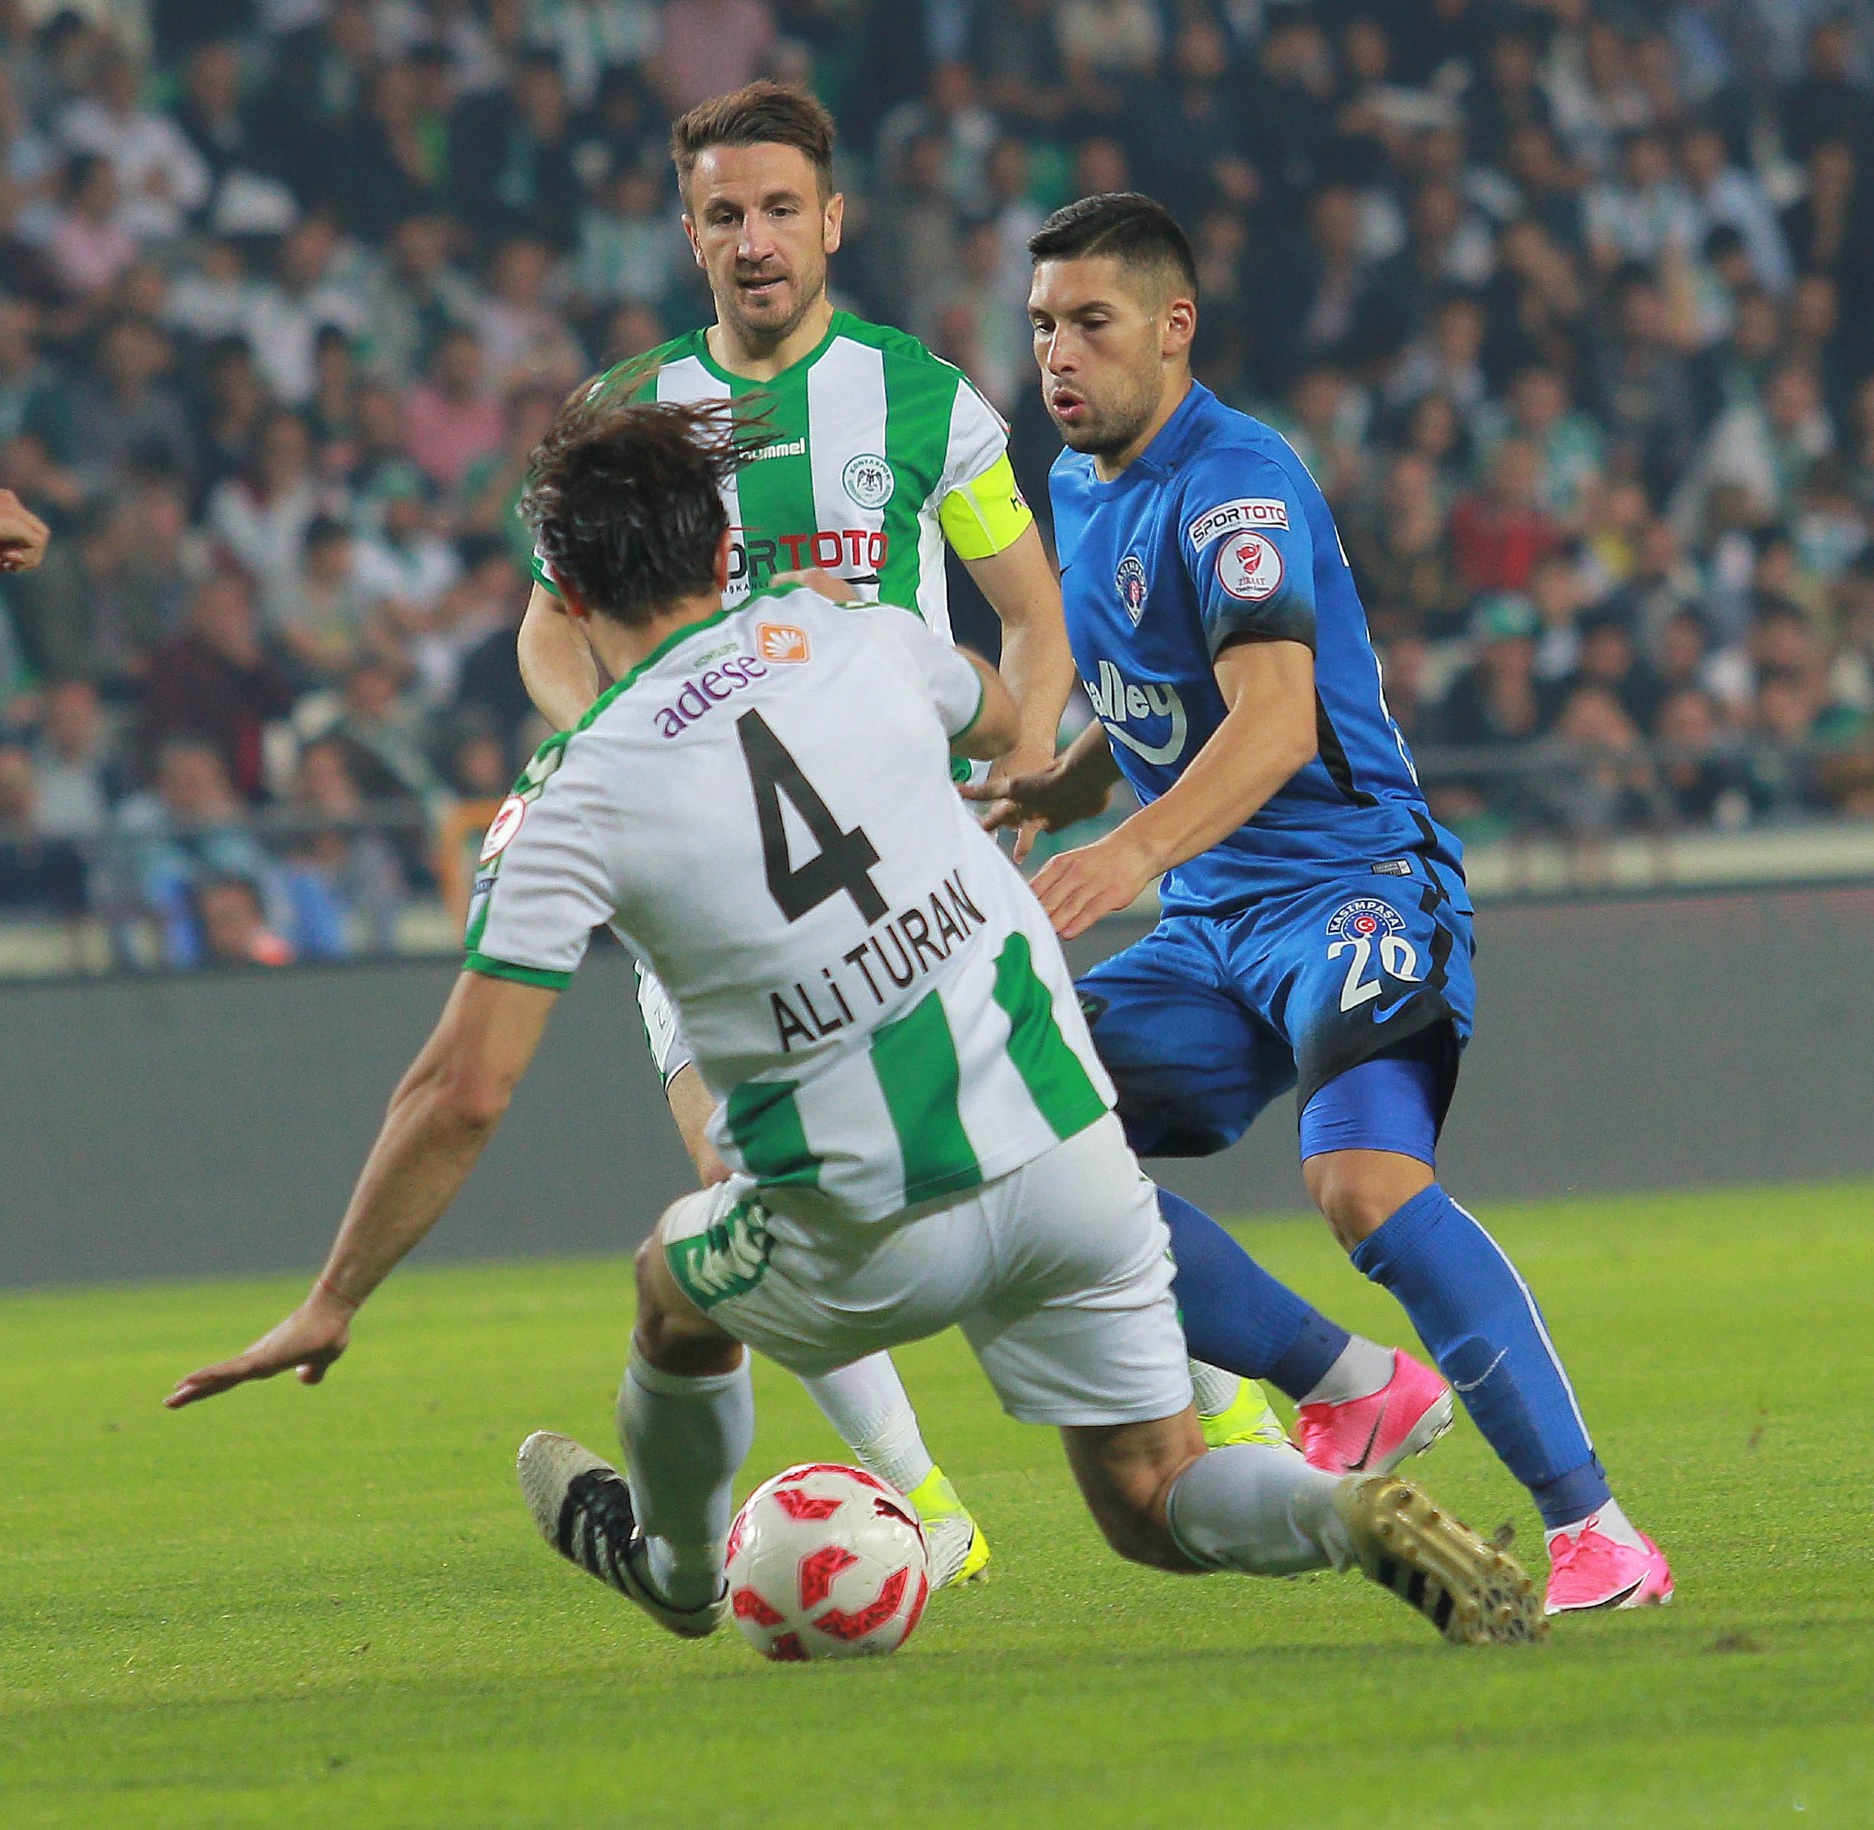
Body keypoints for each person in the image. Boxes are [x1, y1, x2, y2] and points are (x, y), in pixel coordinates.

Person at [164, 391, 1542, 1652]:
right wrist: (841, 658)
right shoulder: (853, 635)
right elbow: (996, 714)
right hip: (1066, 1150)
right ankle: (1342, 1512)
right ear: (724, 555)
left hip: (859, 1221)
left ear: (568, 599)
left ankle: (678, 1569)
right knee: (1154, 1495)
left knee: (671, 1283)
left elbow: (462, 1090)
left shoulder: (570, 798)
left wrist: (334, 1297)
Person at [976, 193, 1672, 1616]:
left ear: (1173, 328)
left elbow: (1277, 717)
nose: (1058, 353)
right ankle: (1348, 1382)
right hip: (1210, 929)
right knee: (1003, 1125)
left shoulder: (1237, 483)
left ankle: (1599, 1533)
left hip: (1350, 887)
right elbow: (1159, 688)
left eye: (1092, 322)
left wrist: (1127, 855)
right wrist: (1069, 785)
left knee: (1366, 1189)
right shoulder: (1081, 483)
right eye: (1043, 325)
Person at [512, 79, 1149, 1585]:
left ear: (833, 221)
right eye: (725, 214)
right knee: (744, 1181)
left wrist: (1022, 781)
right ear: (689, 234)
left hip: (898, 860)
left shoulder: (920, 397)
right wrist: (614, 750)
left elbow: (1032, 616)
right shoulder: (625, 415)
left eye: (781, 209)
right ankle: (927, 1501)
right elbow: (548, 633)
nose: (756, 240)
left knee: (1014, 1157)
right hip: (711, 872)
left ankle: (1200, 1410)